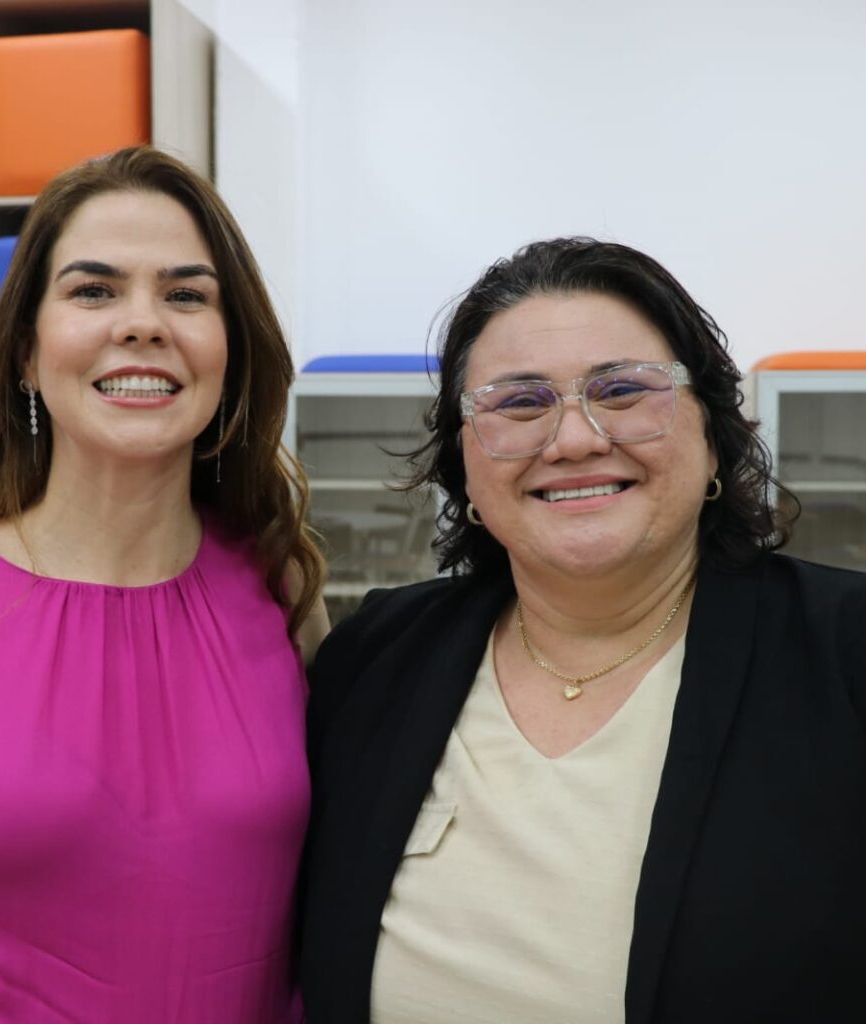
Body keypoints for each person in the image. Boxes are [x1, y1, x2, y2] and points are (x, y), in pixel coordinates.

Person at [298, 238, 866, 1024]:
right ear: (465, 466)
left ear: (714, 437)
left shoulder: (843, 655)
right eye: (520, 404)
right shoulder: (375, 660)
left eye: (624, 390)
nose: (574, 440)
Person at [0, 145, 327, 1023]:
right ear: (27, 353)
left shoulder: (281, 585)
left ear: (230, 352)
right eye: (94, 290)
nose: (143, 324)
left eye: (187, 295)